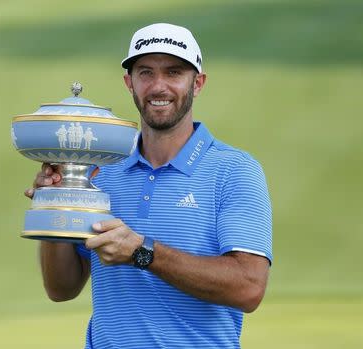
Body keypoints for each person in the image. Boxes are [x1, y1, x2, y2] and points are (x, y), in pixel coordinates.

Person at [25, 23, 272, 349]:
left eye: (173, 72)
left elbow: (248, 288)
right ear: (130, 82)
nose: (159, 86)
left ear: (197, 83)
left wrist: (143, 252)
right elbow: (61, 289)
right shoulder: (102, 170)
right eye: (145, 73)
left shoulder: (235, 171)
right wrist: (55, 205)